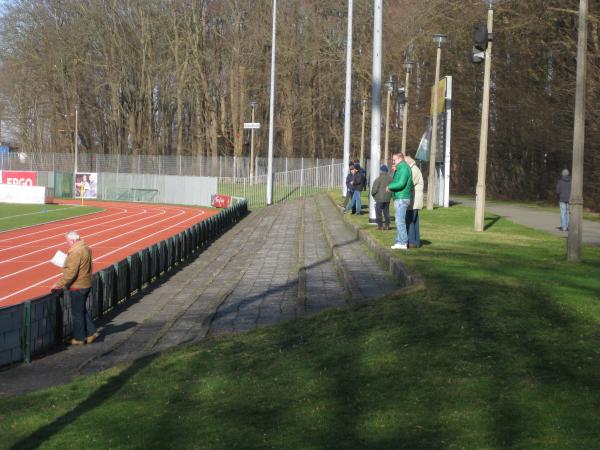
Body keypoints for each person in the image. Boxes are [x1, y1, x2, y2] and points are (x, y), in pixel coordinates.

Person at [52, 231, 98, 345]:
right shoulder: (85, 248)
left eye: (67, 241)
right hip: (85, 283)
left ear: (72, 240)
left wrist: (59, 284)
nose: (67, 243)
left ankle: (79, 338)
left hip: (78, 286)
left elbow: (71, 273)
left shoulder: (76, 251)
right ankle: (91, 332)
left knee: (77, 313)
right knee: (81, 310)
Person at [386, 152, 413, 249]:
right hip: (399, 197)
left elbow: (401, 183)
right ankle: (399, 241)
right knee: (398, 221)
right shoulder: (401, 168)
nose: (393, 162)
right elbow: (396, 180)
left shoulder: (404, 168)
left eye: (394, 159)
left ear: (400, 159)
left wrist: (390, 187)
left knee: (399, 221)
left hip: (402, 198)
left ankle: (403, 242)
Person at [405, 155, 424, 248]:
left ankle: (412, 241)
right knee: (415, 221)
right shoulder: (414, 169)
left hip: (414, 200)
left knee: (410, 220)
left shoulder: (413, 170)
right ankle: (416, 241)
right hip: (415, 199)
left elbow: (409, 183)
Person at [371, 164, 393, 230]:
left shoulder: (378, 179)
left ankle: (380, 225)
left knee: (378, 212)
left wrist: (373, 195)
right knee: (386, 212)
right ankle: (387, 225)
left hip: (379, 199)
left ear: (381, 171)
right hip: (387, 199)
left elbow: (374, 190)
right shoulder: (391, 179)